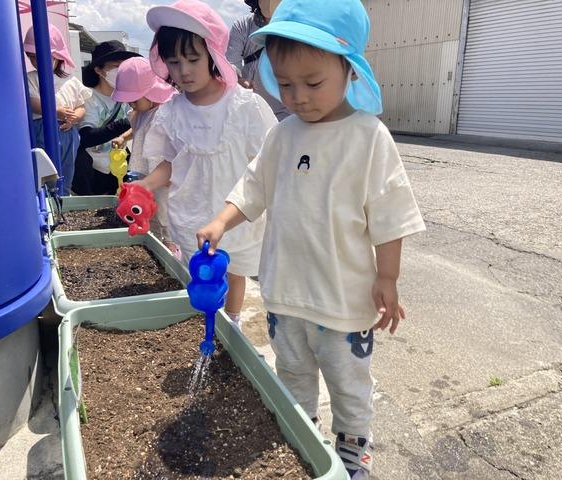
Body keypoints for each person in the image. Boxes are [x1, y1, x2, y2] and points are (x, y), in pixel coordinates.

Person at [196, 0, 426, 477]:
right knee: (292, 378)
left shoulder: (368, 137)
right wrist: (221, 221)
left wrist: (388, 277)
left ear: (351, 71)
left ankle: (352, 454)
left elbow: (390, 214)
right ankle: (300, 438)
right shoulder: (283, 136)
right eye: (285, 84)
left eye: (313, 83)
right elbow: (253, 187)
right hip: (286, 296)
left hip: (343, 303)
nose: (298, 96)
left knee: (349, 386)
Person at [138, 0, 277, 328]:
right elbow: (169, 163)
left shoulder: (244, 105)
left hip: (235, 213)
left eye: (193, 59)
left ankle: (233, 322)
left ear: (213, 55)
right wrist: (145, 185)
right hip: (192, 210)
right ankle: (205, 323)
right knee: (200, 274)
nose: (183, 70)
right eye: (173, 61)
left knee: (234, 268)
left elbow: (269, 159)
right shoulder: (171, 112)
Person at [110, 57, 181, 257]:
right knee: (149, 211)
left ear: (150, 92)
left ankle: (170, 249)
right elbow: (137, 129)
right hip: (146, 172)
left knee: (165, 213)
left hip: (164, 176)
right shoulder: (140, 112)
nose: (132, 104)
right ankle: (154, 242)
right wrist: (123, 137)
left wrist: (169, 177)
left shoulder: (167, 111)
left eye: (134, 99)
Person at [24, 25, 90, 195]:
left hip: (68, 131)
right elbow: (32, 102)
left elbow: (81, 105)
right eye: (31, 57)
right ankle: (46, 199)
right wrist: (55, 111)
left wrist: (74, 117)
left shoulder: (70, 80)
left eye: (42, 56)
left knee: (66, 170)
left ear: (58, 56)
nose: (36, 61)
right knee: (45, 171)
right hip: (42, 127)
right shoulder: (31, 78)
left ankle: (64, 196)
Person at [72, 41, 140, 195]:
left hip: (120, 168)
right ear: (99, 70)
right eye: (116, 66)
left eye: (124, 67)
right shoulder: (88, 97)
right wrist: (126, 122)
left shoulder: (129, 98)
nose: (121, 71)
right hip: (93, 172)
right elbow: (87, 137)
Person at [226, 0, 289, 120]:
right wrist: (239, 80)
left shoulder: (295, 27)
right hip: (253, 109)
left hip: (288, 110)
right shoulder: (243, 25)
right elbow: (231, 63)